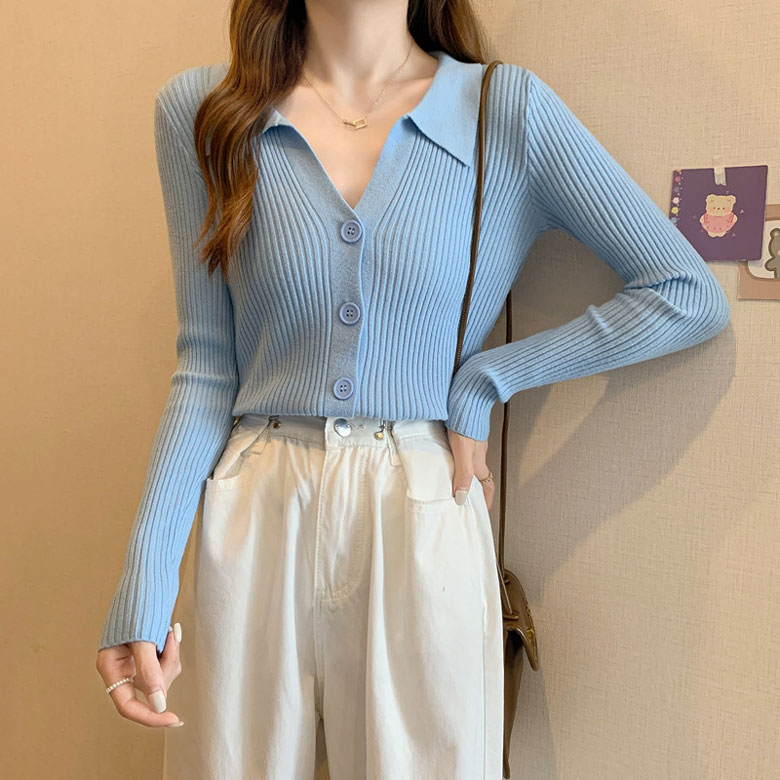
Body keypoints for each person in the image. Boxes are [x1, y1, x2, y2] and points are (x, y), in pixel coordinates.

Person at [95, 1, 730, 777]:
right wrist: (145, 583)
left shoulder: (502, 112)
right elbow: (205, 366)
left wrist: (487, 380)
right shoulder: (205, 112)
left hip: (423, 500)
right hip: (254, 506)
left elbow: (683, 294)